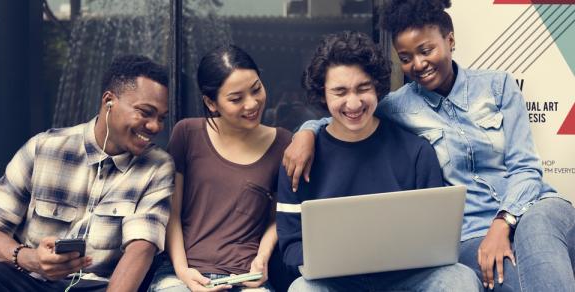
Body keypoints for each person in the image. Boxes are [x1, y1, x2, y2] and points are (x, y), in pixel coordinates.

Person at [283, 1, 575, 291]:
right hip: (471, 233)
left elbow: (525, 167)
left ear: (450, 39)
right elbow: (350, 117)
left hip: (532, 206)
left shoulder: (498, 86)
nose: (418, 64)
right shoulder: (397, 106)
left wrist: (503, 222)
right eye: (406, 57)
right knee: (507, 277)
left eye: (426, 50)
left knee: (537, 230)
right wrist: (307, 132)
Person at [276, 31, 481, 292]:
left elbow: (436, 239)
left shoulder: (416, 151)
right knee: (302, 289)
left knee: (459, 278)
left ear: (377, 87)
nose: (353, 103)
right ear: (322, 94)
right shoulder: (298, 158)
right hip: (334, 283)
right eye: (340, 91)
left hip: (406, 280)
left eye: (363, 88)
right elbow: (291, 245)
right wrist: (330, 261)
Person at [0, 55, 174, 292]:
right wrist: (31, 259)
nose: (155, 127)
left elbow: (141, 248)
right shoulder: (44, 148)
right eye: (145, 112)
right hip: (30, 280)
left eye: (161, 118)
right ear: (108, 101)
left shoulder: (158, 166)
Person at [148, 45, 292, 292]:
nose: (252, 104)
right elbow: (171, 214)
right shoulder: (187, 133)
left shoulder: (283, 143)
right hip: (182, 273)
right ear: (211, 102)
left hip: (246, 277)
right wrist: (184, 272)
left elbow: (277, 217)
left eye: (256, 89)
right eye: (236, 99)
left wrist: (262, 258)